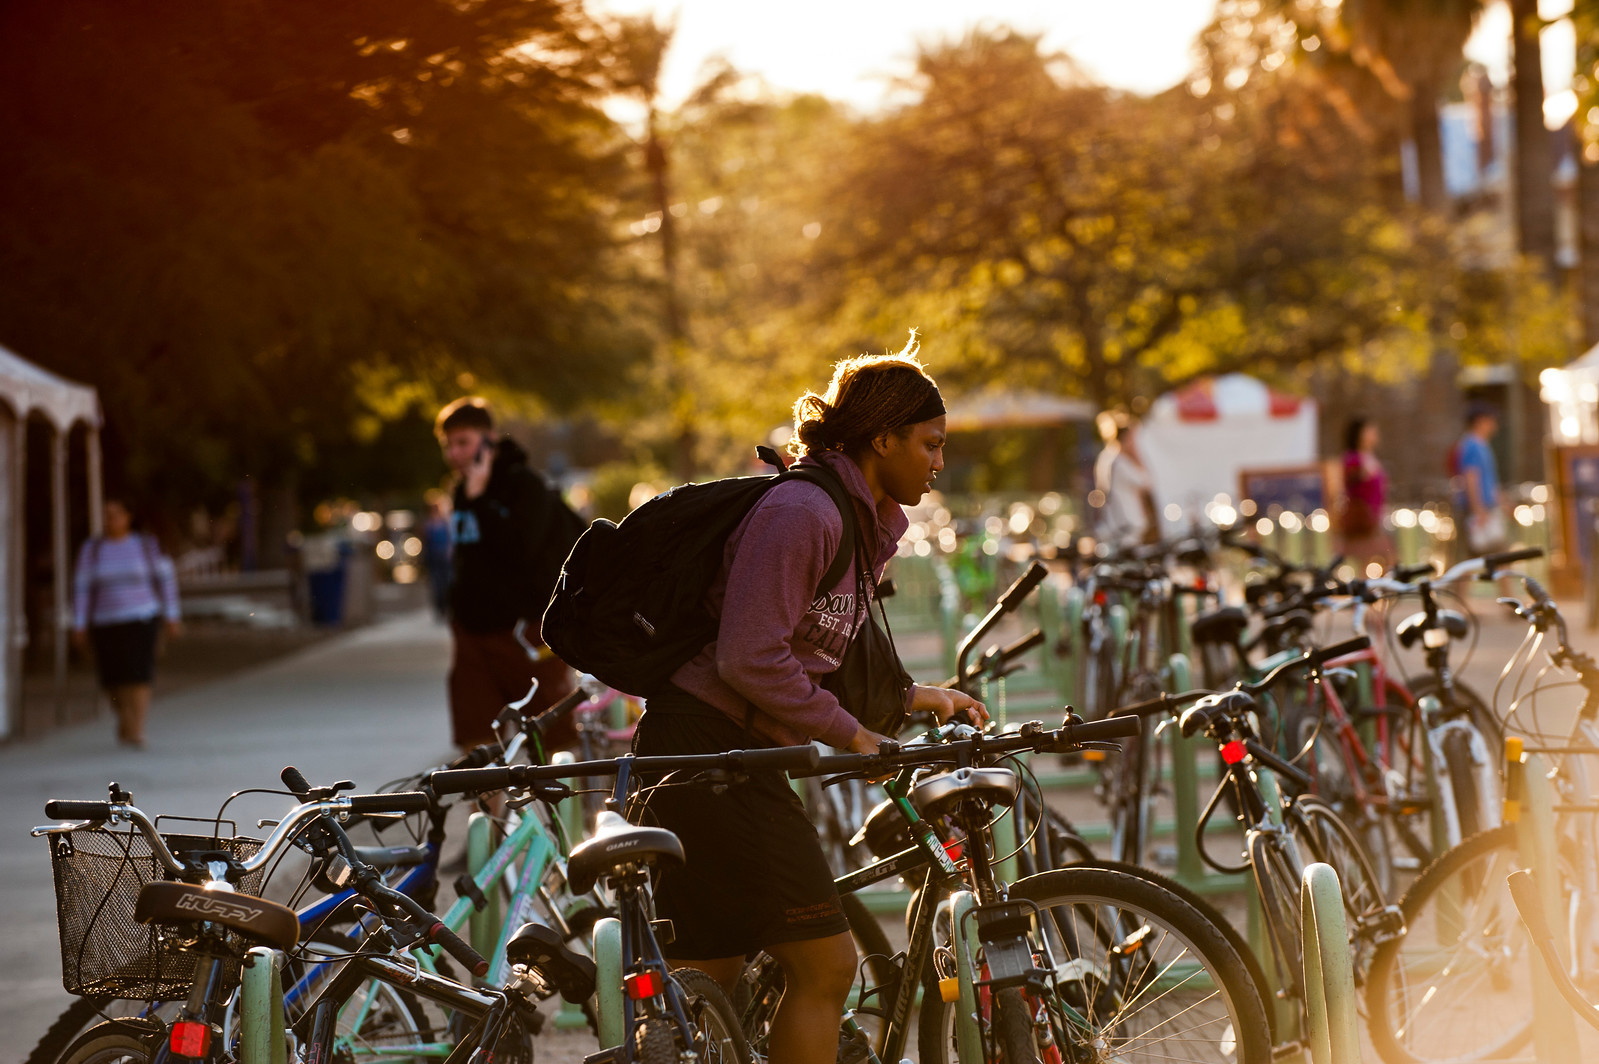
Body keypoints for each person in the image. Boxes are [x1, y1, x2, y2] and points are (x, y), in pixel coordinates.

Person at [632, 344, 988, 1064]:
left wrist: (910, 697)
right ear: (880, 439)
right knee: (825, 968)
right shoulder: (803, 512)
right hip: (707, 751)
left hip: (727, 750)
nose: (937, 462)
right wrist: (851, 736)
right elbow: (747, 656)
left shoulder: (858, 521)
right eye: (929, 444)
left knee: (714, 978)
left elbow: (810, 648)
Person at [436, 397, 577, 751]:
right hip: (472, 634)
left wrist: (481, 497)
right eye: (448, 445)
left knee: (548, 737)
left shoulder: (523, 484)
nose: (455, 453)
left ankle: (563, 806)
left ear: (490, 440)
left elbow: (518, 549)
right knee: (478, 741)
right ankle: (487, 810)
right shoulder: (462, 491)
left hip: (522, 633)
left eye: (463, 442)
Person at [70, 498, 182, 747]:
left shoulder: (145, 545)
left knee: (139, 673)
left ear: (129, 516)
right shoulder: (93, 549)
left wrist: (172, 615)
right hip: (105, 621)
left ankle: (136, 728)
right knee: (114, 677)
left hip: (141, 616)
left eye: (117, 514)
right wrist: (78, 623)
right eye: (107, 515)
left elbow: (166, 581)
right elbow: (82, 588)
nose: (112, 520)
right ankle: (125, 718)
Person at [1092, 409, 1158, 549]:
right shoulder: (1122, 462)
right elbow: (1148, 483)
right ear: (1127, 438)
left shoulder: (1107, 458)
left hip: (1117, 523)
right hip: (1127, 523)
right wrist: (1138, 458)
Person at [1337, 417, 1393, 571]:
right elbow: (1348, 483)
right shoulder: (1353, 458)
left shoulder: (1370, 457)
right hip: (1362, 518)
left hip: (1375, 516)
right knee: (1370, 560)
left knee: (1382, 560)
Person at [1452, 402, 1507, 556]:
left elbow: (1490, 481)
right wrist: (1478, 509)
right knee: (1495, 557)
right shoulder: (1472, 445)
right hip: (1477, 510)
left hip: (1486, 508)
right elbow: (1471, 477)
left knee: (1487, 558)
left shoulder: (1482, 445)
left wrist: (1504, 502)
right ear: (1480, 420)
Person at [420, 490, 453, 622]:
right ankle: (440, 609)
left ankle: (445, 608)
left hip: (443, 558)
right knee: (437, 585)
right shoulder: (429, 525)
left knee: (445, 584)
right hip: (435, 558)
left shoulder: (443, 523)